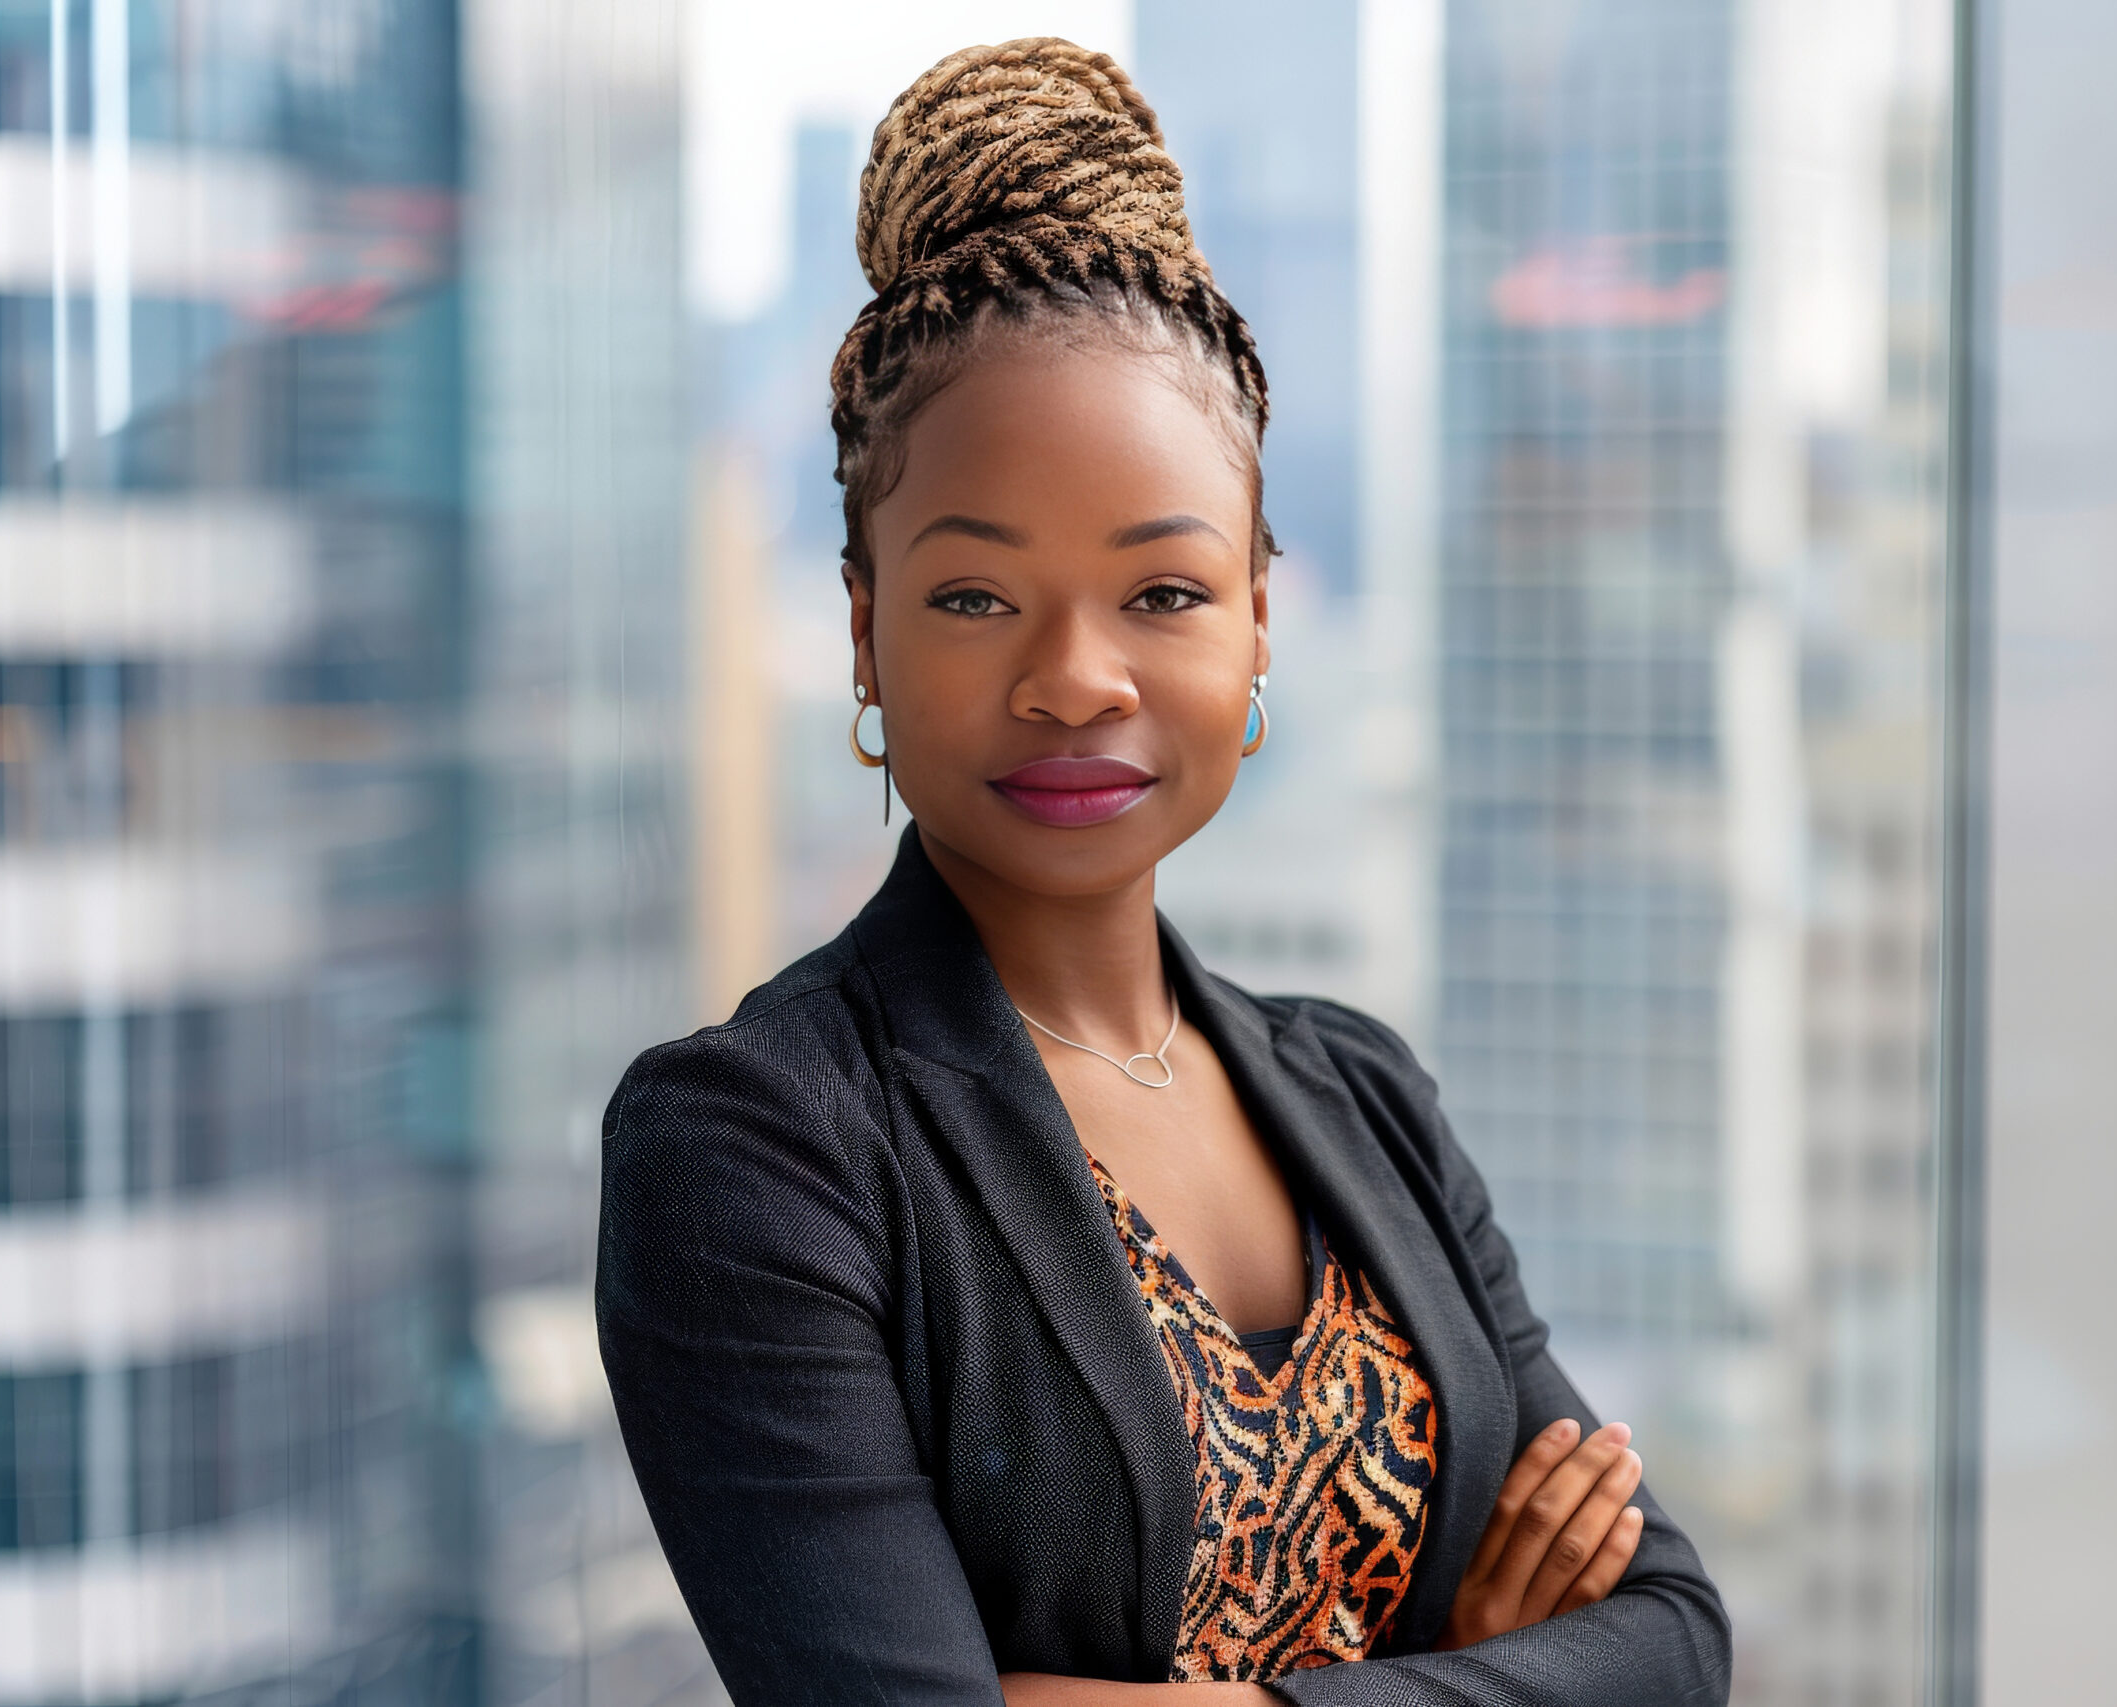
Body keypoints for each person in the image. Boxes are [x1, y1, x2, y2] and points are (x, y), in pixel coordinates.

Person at [597, 38, 1730, 1706]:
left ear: (1262, 620)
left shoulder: (1365, 1095)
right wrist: (1473, 1670)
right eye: (976, 598)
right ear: (863, 629)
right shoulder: (759, 1149)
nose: (1076, 679)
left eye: (1166, 595)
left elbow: (1674, 1640)